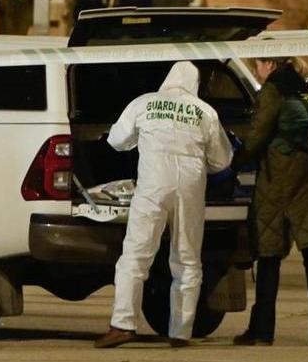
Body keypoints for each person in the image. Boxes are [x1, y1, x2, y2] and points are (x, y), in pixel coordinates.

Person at [94, 61, 234, 348]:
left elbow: (116, 140)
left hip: (152, 188)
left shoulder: (144, 103)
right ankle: (180, 331)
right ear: (195, 83)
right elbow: (222, 160)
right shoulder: (205, 112)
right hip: (190, 189)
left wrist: (140, 140)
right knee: (186, 258)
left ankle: (122, 325)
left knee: (135, 256)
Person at [231, 56, 308, 346]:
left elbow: (258, 135)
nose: (256, 71)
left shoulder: (273, 90)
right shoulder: (305, 87)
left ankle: (262, 331)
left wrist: (233, 162)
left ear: (271, 65)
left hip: (280, 178)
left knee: (269, 256)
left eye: (258, 65)